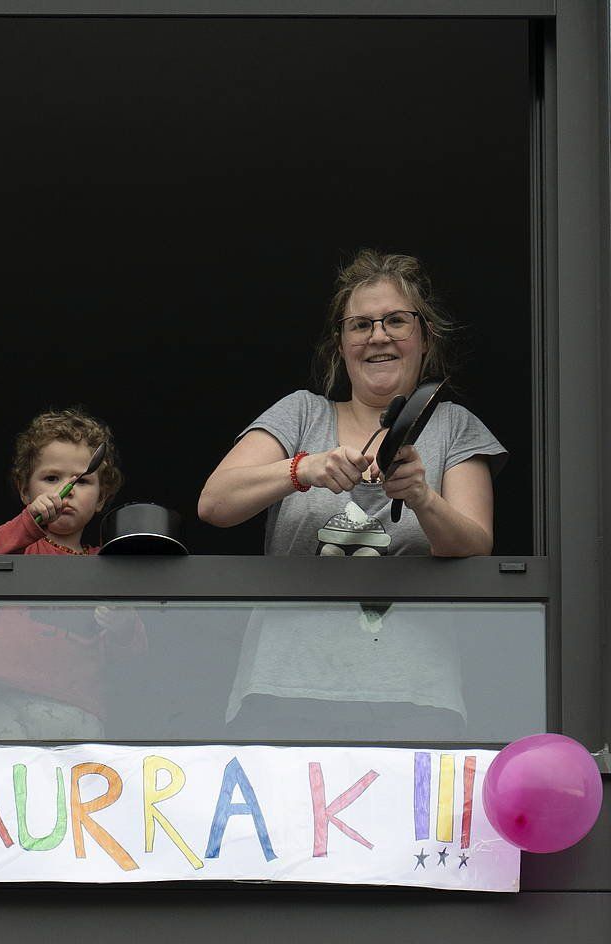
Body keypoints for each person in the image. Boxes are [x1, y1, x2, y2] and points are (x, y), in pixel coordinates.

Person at [198, 250, 507, 736]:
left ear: (424, 339)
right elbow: (214, 503)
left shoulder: (454, 426)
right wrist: (304, 468)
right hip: (285, 689)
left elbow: (475, 545)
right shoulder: (302, 414)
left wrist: (423, 498)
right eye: (360, 325)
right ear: (340, 345)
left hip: (416, 694)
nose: (378, 336)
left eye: (396, 321)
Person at [0, 408, 145, 739]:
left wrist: (124, 623)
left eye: (83, 481)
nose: (66, 490)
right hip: (9, 699)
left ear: (100, 499)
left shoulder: (106, 565)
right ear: (25, 491)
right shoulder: (20, 546)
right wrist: (27, 523)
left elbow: (130, 657)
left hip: (81, 708)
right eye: (52, 478)